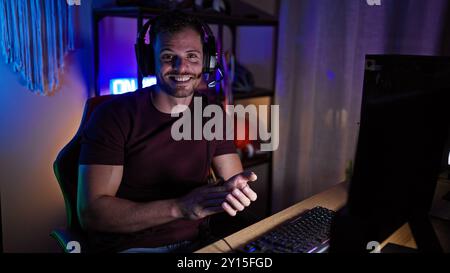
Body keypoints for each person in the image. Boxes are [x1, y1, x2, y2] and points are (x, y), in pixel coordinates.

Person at [77, 10, 258, 253]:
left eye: (192, 56)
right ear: (150, 61)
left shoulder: (210, 113)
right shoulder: (113, 116)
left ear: (206, 62)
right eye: (168, 56)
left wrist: (237, 190)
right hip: (133, 247)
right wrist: (179, 207)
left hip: (199, 242)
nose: (181, 67)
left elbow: (234, 183)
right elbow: (93, 214)